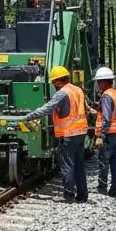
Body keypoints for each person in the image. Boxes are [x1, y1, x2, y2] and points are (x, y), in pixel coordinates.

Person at [23, 65, 89, 202]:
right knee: (78, 164)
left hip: (69, 134)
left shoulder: (62, 93)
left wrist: (28, 117)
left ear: (59, 81)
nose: (54, 85)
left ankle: (69, 195)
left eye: (54, 82)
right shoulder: (77, 90)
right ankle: (82, 195)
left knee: (68, 164)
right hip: (81, 132)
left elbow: (47, 109)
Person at [93, 66, 116, 198]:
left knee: (103, 160)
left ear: (106, 81)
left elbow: (106, 118)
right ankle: (115, 188)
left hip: (109, 133)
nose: (98, 85)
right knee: (114, 160)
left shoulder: (106, 96)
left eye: (100, 82)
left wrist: (101, 135)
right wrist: (91, 109)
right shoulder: (115, 93)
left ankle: (102, 187)